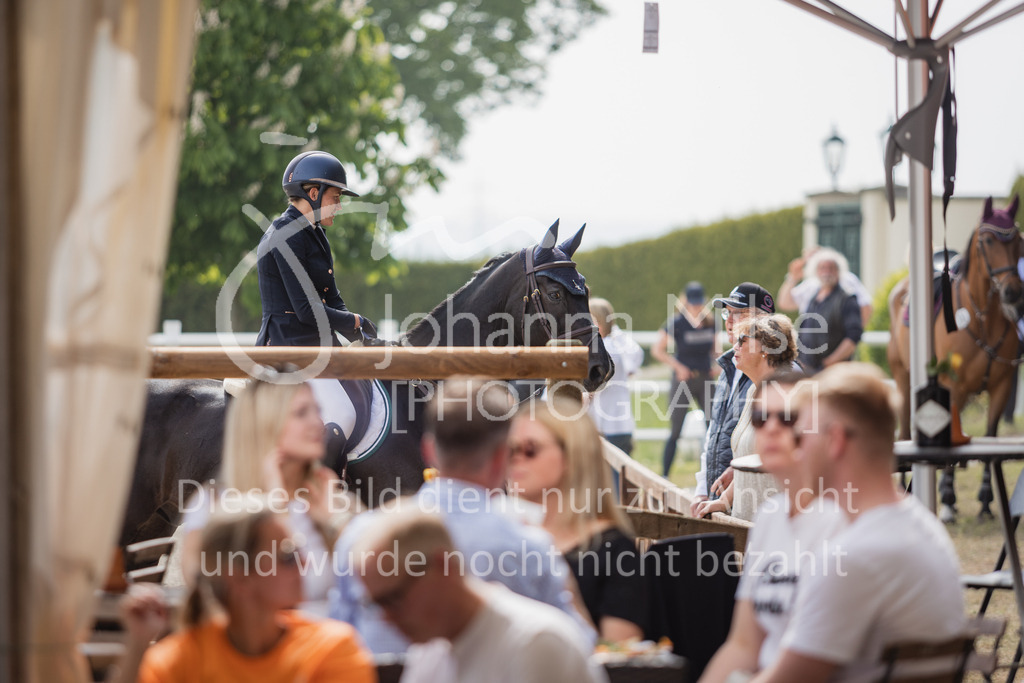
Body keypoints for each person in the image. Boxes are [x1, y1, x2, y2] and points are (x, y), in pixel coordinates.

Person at [331, 377, 592, 653]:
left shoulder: (359, 536)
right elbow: (580, 645)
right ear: (503, 456)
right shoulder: (530, 545)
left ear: (428, 450)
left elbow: (338, 636)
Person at [750, 363, 966, 682]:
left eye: (801, 436)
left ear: (835, 440)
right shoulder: (920, 527)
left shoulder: (853, 557)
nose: (798, 451)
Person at [114, 501, 375, 683]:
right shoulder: (180, 659)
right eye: (288, 555)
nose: (306, 563)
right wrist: (137, 645)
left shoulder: (331, 649)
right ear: (239, 577)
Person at [699, 372, 847, 683]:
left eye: (788, 417)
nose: (772, 427)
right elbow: (743, 645)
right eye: (760, 417)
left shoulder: (843, 521)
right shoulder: (771, 517)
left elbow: (809, 665)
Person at [353, 509, 609, 683]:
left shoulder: (535, 642)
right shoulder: (430, 652)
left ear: (443, 566)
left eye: (394, 599)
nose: (386, 618)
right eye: (375, 605)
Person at [180, 370, 356, 604]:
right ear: (265, 424)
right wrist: (276, 509)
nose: (318, 423)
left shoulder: (334, 502)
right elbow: (209, 599)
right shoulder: (211, 505)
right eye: (301, 413)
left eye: (317, 410)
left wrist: (336, 522)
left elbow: (376, 585)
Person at [256, 150, 379, 448]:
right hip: (289, 348)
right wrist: (355, 321)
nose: (339, 206)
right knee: (343, 416)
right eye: (335, 198)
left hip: (316, 345)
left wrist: (359, 334)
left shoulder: (315, 234)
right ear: (313, 193)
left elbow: (332, 299)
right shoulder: (286, 233)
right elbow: (305, 310)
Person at [507, 396, 649, 642]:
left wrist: (564, 593)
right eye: (509, 449)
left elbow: (621, 654)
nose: (515, 459)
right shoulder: (508, 536)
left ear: (573, 457)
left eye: (530, 449)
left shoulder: (615, 551)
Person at [694, 315, 798, 519]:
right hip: (747, 519)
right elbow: (747, 458)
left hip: (776, 520)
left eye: (743, 340)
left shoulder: (788, 394)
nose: (735, 346)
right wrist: (723, 501)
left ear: (767, 348)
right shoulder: (754, 391)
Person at [689, 282, 775, 517]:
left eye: (739, 313)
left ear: (763, 321)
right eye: (728, 313)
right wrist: (703, 489)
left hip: (759, 506)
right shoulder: (729, 367)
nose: (729, 322)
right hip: (724, 500)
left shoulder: (779, 377)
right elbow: (714, 432)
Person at [651, 281, 717, 476]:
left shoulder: (711, 322)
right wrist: (678, 367)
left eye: (699, 303)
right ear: (685, 301)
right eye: (692, 303)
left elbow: (714, 351)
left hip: (705, 379)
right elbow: (657, 350)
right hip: (683, 381)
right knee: (675, 430)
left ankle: (712, 473)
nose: (696, 307)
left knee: (713, 428)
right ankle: (665, 475)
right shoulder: (677, 323)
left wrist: (718, 365)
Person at [781, 249, 864, 373]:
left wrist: (831, 362)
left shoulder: (847, 299)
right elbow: (784, 303)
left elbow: (853, 336)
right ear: (816, 271)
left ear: (839, 271)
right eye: (823, 268)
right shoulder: (812, 296)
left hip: (833, 370)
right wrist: (792, 278)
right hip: (807, 368)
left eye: (831, 268)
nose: (827, 272)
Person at [587, 297, 644, 455]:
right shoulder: (616, 344)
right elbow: (636, 357)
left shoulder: (604, 350)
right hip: (617, 424)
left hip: (608, 426)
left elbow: (592, 386)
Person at [777, 246, 872, 327]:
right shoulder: (810, 284)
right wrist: (792, 278)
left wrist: (853, 334)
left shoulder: (846, 279)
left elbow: (866, 305)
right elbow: (785, 303)